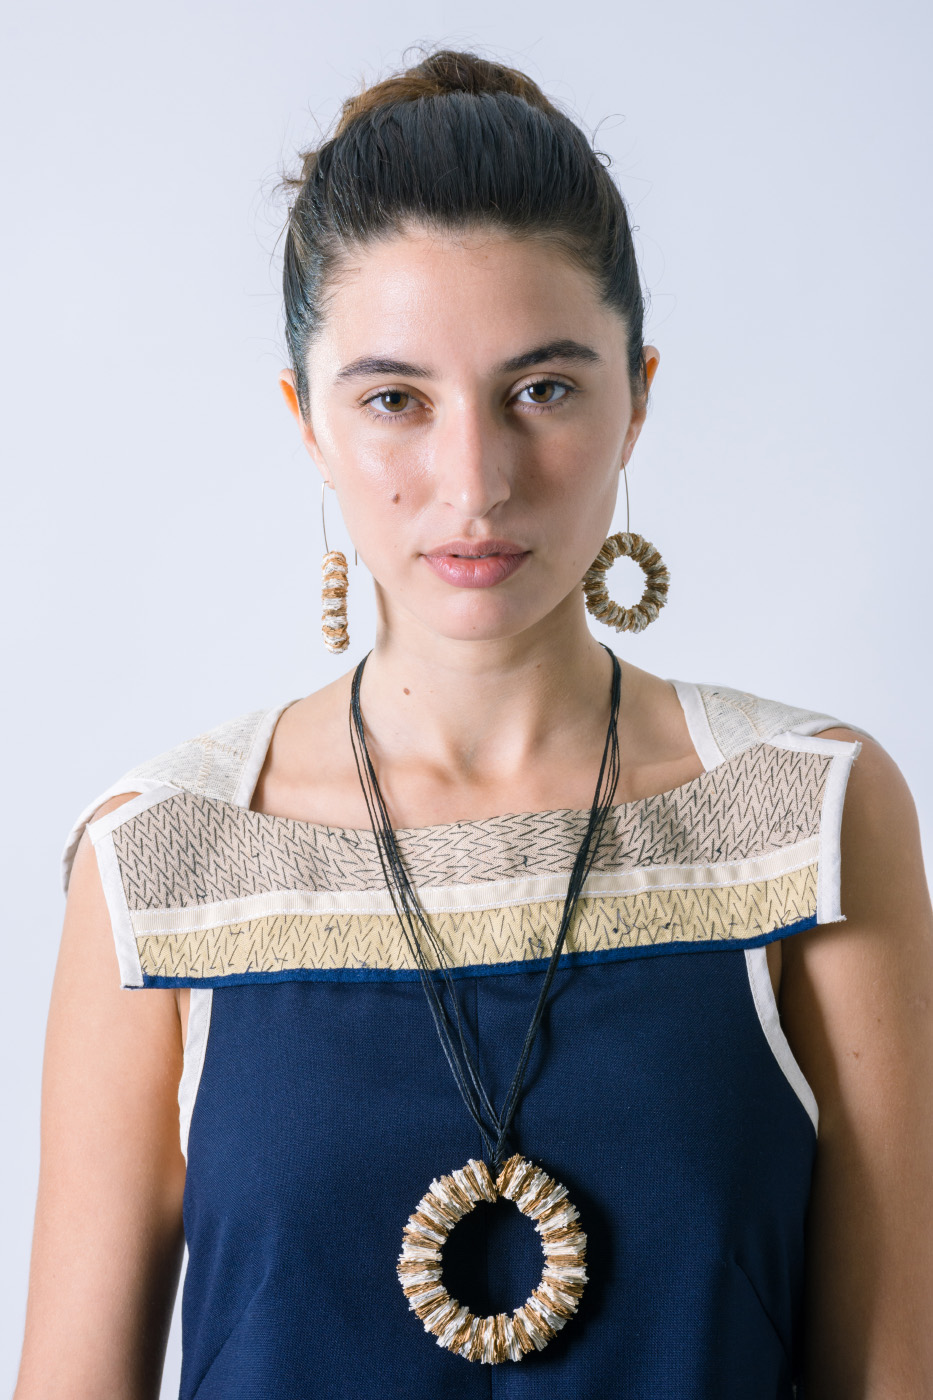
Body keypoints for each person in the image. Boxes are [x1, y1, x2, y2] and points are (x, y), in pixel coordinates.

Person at [14, 46, 933, 1400]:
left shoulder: (803, 812)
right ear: (308, 426)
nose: (474, 479)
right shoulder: (162, 858)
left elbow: (892, 1371)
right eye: (395, 399)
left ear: (638, 396)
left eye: (543, 390)